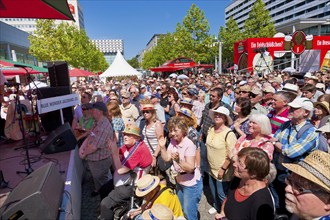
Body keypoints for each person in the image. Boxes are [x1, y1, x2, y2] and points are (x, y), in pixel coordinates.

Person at [271, 97, 319, 214]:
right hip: (278, 169)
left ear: (306, 112)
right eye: (291, 107)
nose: (290, 110)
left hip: (293, 175)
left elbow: (291, 152)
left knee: (289, 204)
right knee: (277, 199)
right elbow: (273, 139)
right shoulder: (287, 124)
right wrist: (276, 143)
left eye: (295, 109)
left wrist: (275, 143)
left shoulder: (310, 131)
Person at [99, 124, 153, 220]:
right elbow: (119, 155)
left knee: (105, 204)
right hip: (123, 180)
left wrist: (114, 153)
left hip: (131, 186)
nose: (125, 137)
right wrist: (112, 149)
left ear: (136, 137)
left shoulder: (139, 150)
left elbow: (120, 170)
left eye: (129, 135)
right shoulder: (129, 145)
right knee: (103, 190)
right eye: (124, 134)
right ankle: (107, 214)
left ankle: (107, 213)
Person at [159, 116, 202, 220]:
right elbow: (167, 158)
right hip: (179, 181)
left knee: (189, 213)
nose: (172, 133)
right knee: (181, 208)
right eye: (170, 130)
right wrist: (162, 147)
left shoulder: (189, 144)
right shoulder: (173, 141)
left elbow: (191, 168)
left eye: (175, 130)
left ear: (183, 130)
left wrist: (178, 161)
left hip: (191, 184)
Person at [215, 147, 275, 220]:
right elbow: (228, 199)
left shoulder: (262, 203)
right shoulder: (238, 179)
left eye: (240, 163)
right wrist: (222, 214)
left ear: (253, 173)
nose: (234, 164)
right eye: (237, 160)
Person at [79, 102, 115, 197]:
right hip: (96, 160)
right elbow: (90, 136)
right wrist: (82, 148)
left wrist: (84, 153)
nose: (90, 111)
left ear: (100, 112)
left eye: (92, 110)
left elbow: (94, 146)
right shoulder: (97, 122)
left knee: (104, 185)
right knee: (99, 181)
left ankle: (107, 202)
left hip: (100, 161)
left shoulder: (103, 127)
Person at [206, 106, 237, 215]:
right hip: (211, 167)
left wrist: (223, 168)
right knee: (213, 189)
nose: (217, 116)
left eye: (221, 115)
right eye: (216, 114)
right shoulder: (211, 128)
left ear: (225, 119)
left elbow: (231, 154)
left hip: (222, 169)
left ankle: (226, 212)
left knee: (221, 193)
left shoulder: (229, 134)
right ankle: (216, 206)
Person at [283, 150, 330, 220]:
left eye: (299, 187)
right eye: (289, 181)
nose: (287, 188)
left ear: (328, 202)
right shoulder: (300, 215)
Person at [140, 103, 164, 170]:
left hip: (154, 154)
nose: (145, 113)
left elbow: (160, 141)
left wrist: (154, 156)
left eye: (147, 112)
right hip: (146, 154)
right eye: (144, 112)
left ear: (153, 113)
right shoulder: (145, 123)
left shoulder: (157, 124)